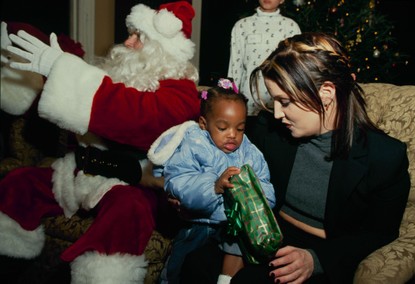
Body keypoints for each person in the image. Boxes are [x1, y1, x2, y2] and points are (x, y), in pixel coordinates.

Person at [180, 32, 411, 284]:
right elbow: (208, 142)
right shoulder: (267, 130)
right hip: (261, 229)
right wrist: (179, 184)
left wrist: (317, 259)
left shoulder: (385, 157)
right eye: (274, 100)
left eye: (285, 101)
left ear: (326, 92)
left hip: (323, 250)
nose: (277, 113)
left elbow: (380, 234)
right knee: (195, 266)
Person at [0, 2, 200, 283]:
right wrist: (43, 75)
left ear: (163, 50)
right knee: (18, 183)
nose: (127, 42)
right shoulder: (118, 77)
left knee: (127, 210)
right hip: (80, 173)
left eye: (138, 37)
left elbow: (138, 118)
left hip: (132, 182)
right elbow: (79, 106)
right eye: (129, 34)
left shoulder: (181, 92)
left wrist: (66, 70)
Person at [147, 78, 276, 284]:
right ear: (204, 124)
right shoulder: (193, 145)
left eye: (240, 128)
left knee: (239, 253)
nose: (233, 135)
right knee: (178, 271)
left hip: (232, 227)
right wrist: (213, 187)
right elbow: (179, 182)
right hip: (198, 225)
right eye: (223, 128)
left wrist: (253, 197)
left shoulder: (250, 152)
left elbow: (267, 189)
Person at [227, 0, 301, 117]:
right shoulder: (242, 26)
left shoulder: (290, 26)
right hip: (248, 103)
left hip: (280, 104)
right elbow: (235, 66)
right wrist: (230, 100)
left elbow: (296, 69)